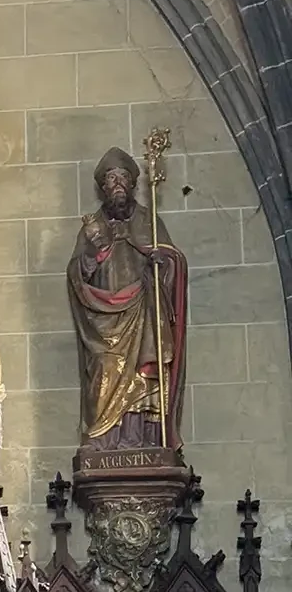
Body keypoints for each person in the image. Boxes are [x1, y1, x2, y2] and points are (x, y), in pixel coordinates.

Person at [67, 148, 186, 453]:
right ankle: (103, 440)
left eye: (123, 177)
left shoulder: (149, 221)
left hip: (144, 312)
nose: (118, 183)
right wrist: (94, 253)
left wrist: (163, 263)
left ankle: (147, 441)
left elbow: (174, 261)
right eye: (111, 179)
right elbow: (76, 274)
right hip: (105, 322)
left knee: (146, 372)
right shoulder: (92, 227)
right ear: (103, 187)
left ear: (133, 184)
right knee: (105, 367)